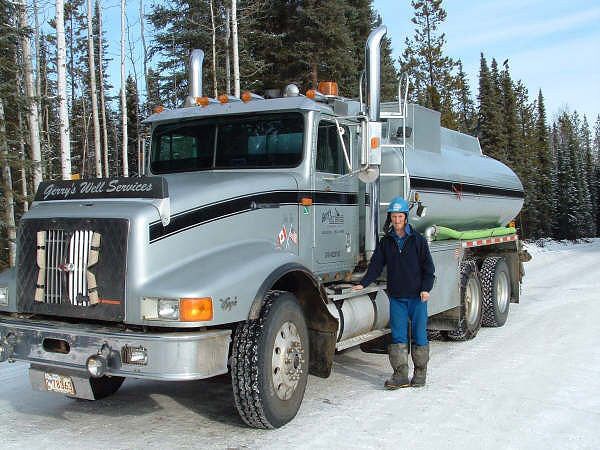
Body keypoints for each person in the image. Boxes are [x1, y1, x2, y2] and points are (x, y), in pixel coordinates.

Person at [353, 196, 435, 389]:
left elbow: (428, 269)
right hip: (397, 297)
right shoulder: (387, 242)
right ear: (390, 218)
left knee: (419, 335)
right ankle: (400, 375)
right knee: (398, 336)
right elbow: (376, 266)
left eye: (400, 216)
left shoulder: (418, 240)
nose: (397, 220)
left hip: (417, 298)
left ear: (405, 217)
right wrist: (363, 283)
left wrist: (426, 289)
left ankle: (420, 374)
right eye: (393, 217)